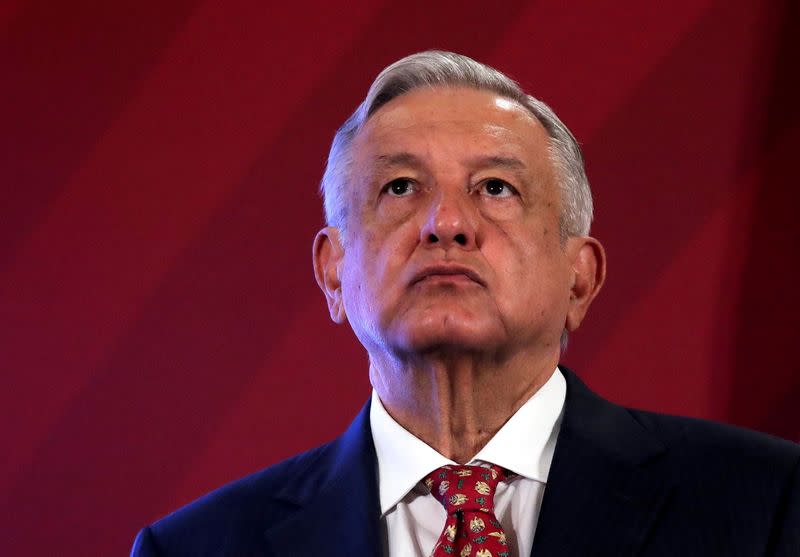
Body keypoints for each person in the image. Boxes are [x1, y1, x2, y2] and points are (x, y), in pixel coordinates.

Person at [131, 51, 799, 557]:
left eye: (496, 188)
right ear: (333, 273)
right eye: (399, 186)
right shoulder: (197, 547)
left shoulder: (767, 504)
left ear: (579, 277)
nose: (446, 222)